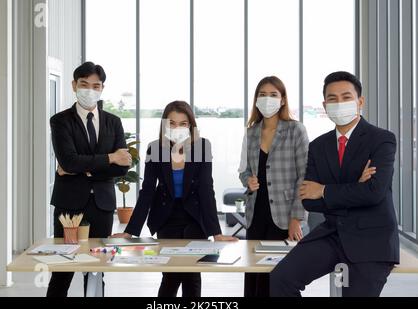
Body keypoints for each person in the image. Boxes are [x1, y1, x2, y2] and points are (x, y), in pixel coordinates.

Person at [270, 71, 400, 297]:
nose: (339, 103)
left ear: (360, 101)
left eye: (346, 97)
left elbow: (374, 193)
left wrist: (324, 190)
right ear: (324, 104)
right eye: (332, 99)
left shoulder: (381, 139)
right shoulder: (318, 146)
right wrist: (354, 187)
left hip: (371, 239)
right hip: (331, 235)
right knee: (280, 279)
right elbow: (309, 201)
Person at [113, 101, 237, 297]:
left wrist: (216, 233)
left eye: (183, 124)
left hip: (195, 219)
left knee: (192, 275)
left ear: (191, 126)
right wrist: (130, 231)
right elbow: (147, 191)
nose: (177, 128)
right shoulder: (155, 148)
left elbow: (206, 190)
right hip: (166, 219)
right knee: (171, 273)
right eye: (172, 123)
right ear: (164, 125)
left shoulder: (202, 146)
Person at [47, 62, 132, 297]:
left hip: (102, 206)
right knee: (63, 268)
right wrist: (109, 158)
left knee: (97, 270)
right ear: (74, 85)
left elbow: (123, 168)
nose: (90, 90)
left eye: (96, 86)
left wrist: (84, 167)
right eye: (84, 84)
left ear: (102, 88)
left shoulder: (113, 122)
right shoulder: (60, 120)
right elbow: (69, 161)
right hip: (69, 207)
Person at [238, 76, 309, 297]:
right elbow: (243, 171)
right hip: (255, 214)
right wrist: (248, 181)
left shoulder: (296, 130)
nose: (267, 99)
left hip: (284, 216)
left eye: (273, 94)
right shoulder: (251, 133)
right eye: (262, 94)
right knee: (255, 277)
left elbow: (304, 176)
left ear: (283, 100)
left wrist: (297, 219)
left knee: (280, 278)